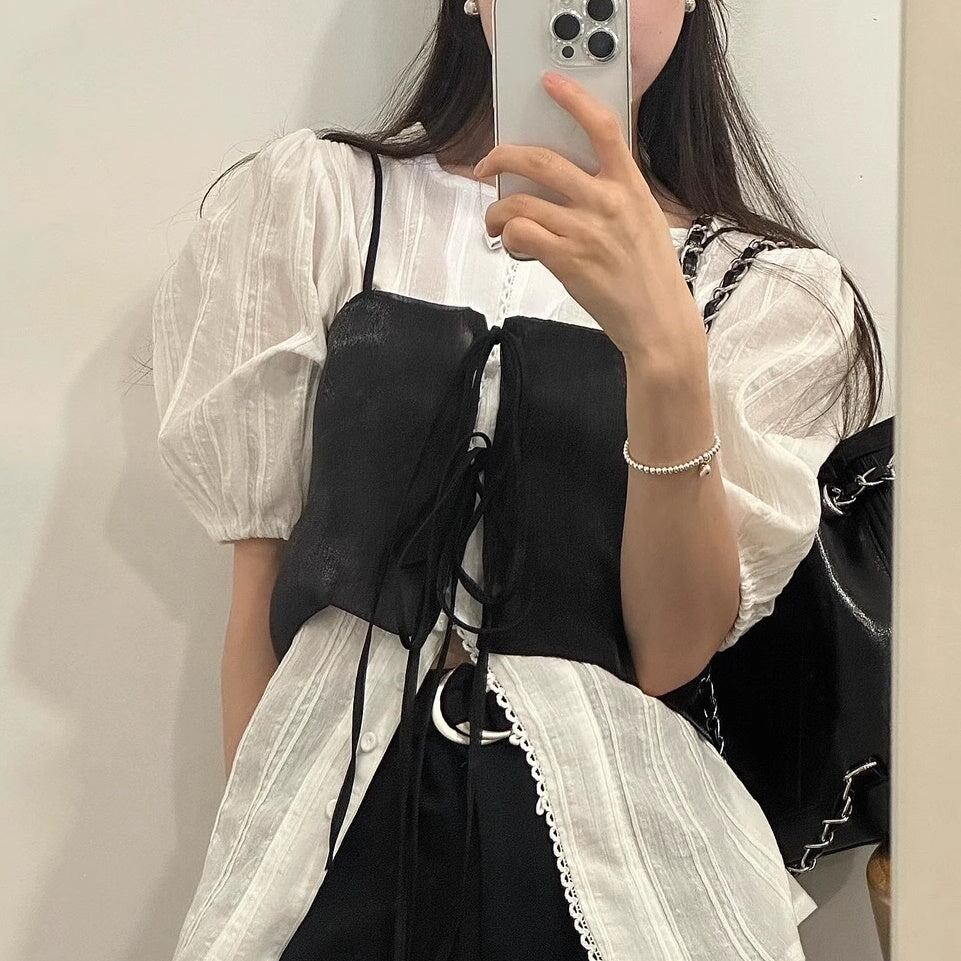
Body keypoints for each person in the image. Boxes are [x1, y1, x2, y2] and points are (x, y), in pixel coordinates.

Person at [150, 1, 884, 959]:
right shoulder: (319, 203)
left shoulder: (768, 295)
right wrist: (251, 872)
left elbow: (668, 652)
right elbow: (261, 605)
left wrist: (664, 353)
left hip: (615, 867)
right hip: (329, 842)